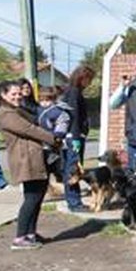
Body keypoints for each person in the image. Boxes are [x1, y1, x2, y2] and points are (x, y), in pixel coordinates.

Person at [0, 82, 62, 249]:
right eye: (13, 94)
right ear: (3, 95)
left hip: (34, 158)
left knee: (37, 198)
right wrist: (54, 138)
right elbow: (29, 129)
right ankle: (19, 238)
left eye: (19, 93)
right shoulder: (6, 113)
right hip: (25, 160)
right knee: (31, 199)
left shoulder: (16, 110)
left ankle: (30, 233)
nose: (18, 96)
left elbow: (36, 119)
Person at [60, 65, 94, 211]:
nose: (90, 83)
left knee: (72, 168)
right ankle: (74, 203)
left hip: (74, 136)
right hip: (73, 137)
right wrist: (75, 138)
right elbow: (73, 116)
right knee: (73, 169)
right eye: (89, 79)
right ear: (82, 78)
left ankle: (74, 201)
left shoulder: (72, 91)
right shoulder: (73, 92)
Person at [36, 86, 72, 183]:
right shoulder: (37, 110)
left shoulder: (58, 112)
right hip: (39, 143)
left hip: (53, 144)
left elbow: (62, 126)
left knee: (57, 168)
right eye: (41, 100)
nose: (44, 103)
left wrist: (55, 137)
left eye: (47, 100)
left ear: (53, 99)